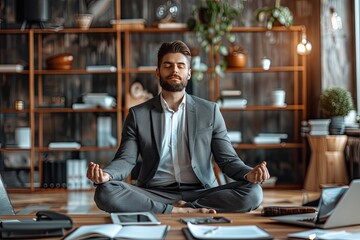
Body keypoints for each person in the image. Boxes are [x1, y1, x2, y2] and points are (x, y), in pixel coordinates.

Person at [87, 40, 270, 214]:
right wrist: (107, 175)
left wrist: (249, 174)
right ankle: (175, 210)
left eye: (180, 66)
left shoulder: (210, 111)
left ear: (189, 73)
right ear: (157, 72)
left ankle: (186, 207)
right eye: (168, 65)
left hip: (201, 192)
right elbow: (126, 160)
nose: (174, 69)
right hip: (154, 193)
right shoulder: (138, 114)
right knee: (105, 192)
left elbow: (228, 160)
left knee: (253, 193)